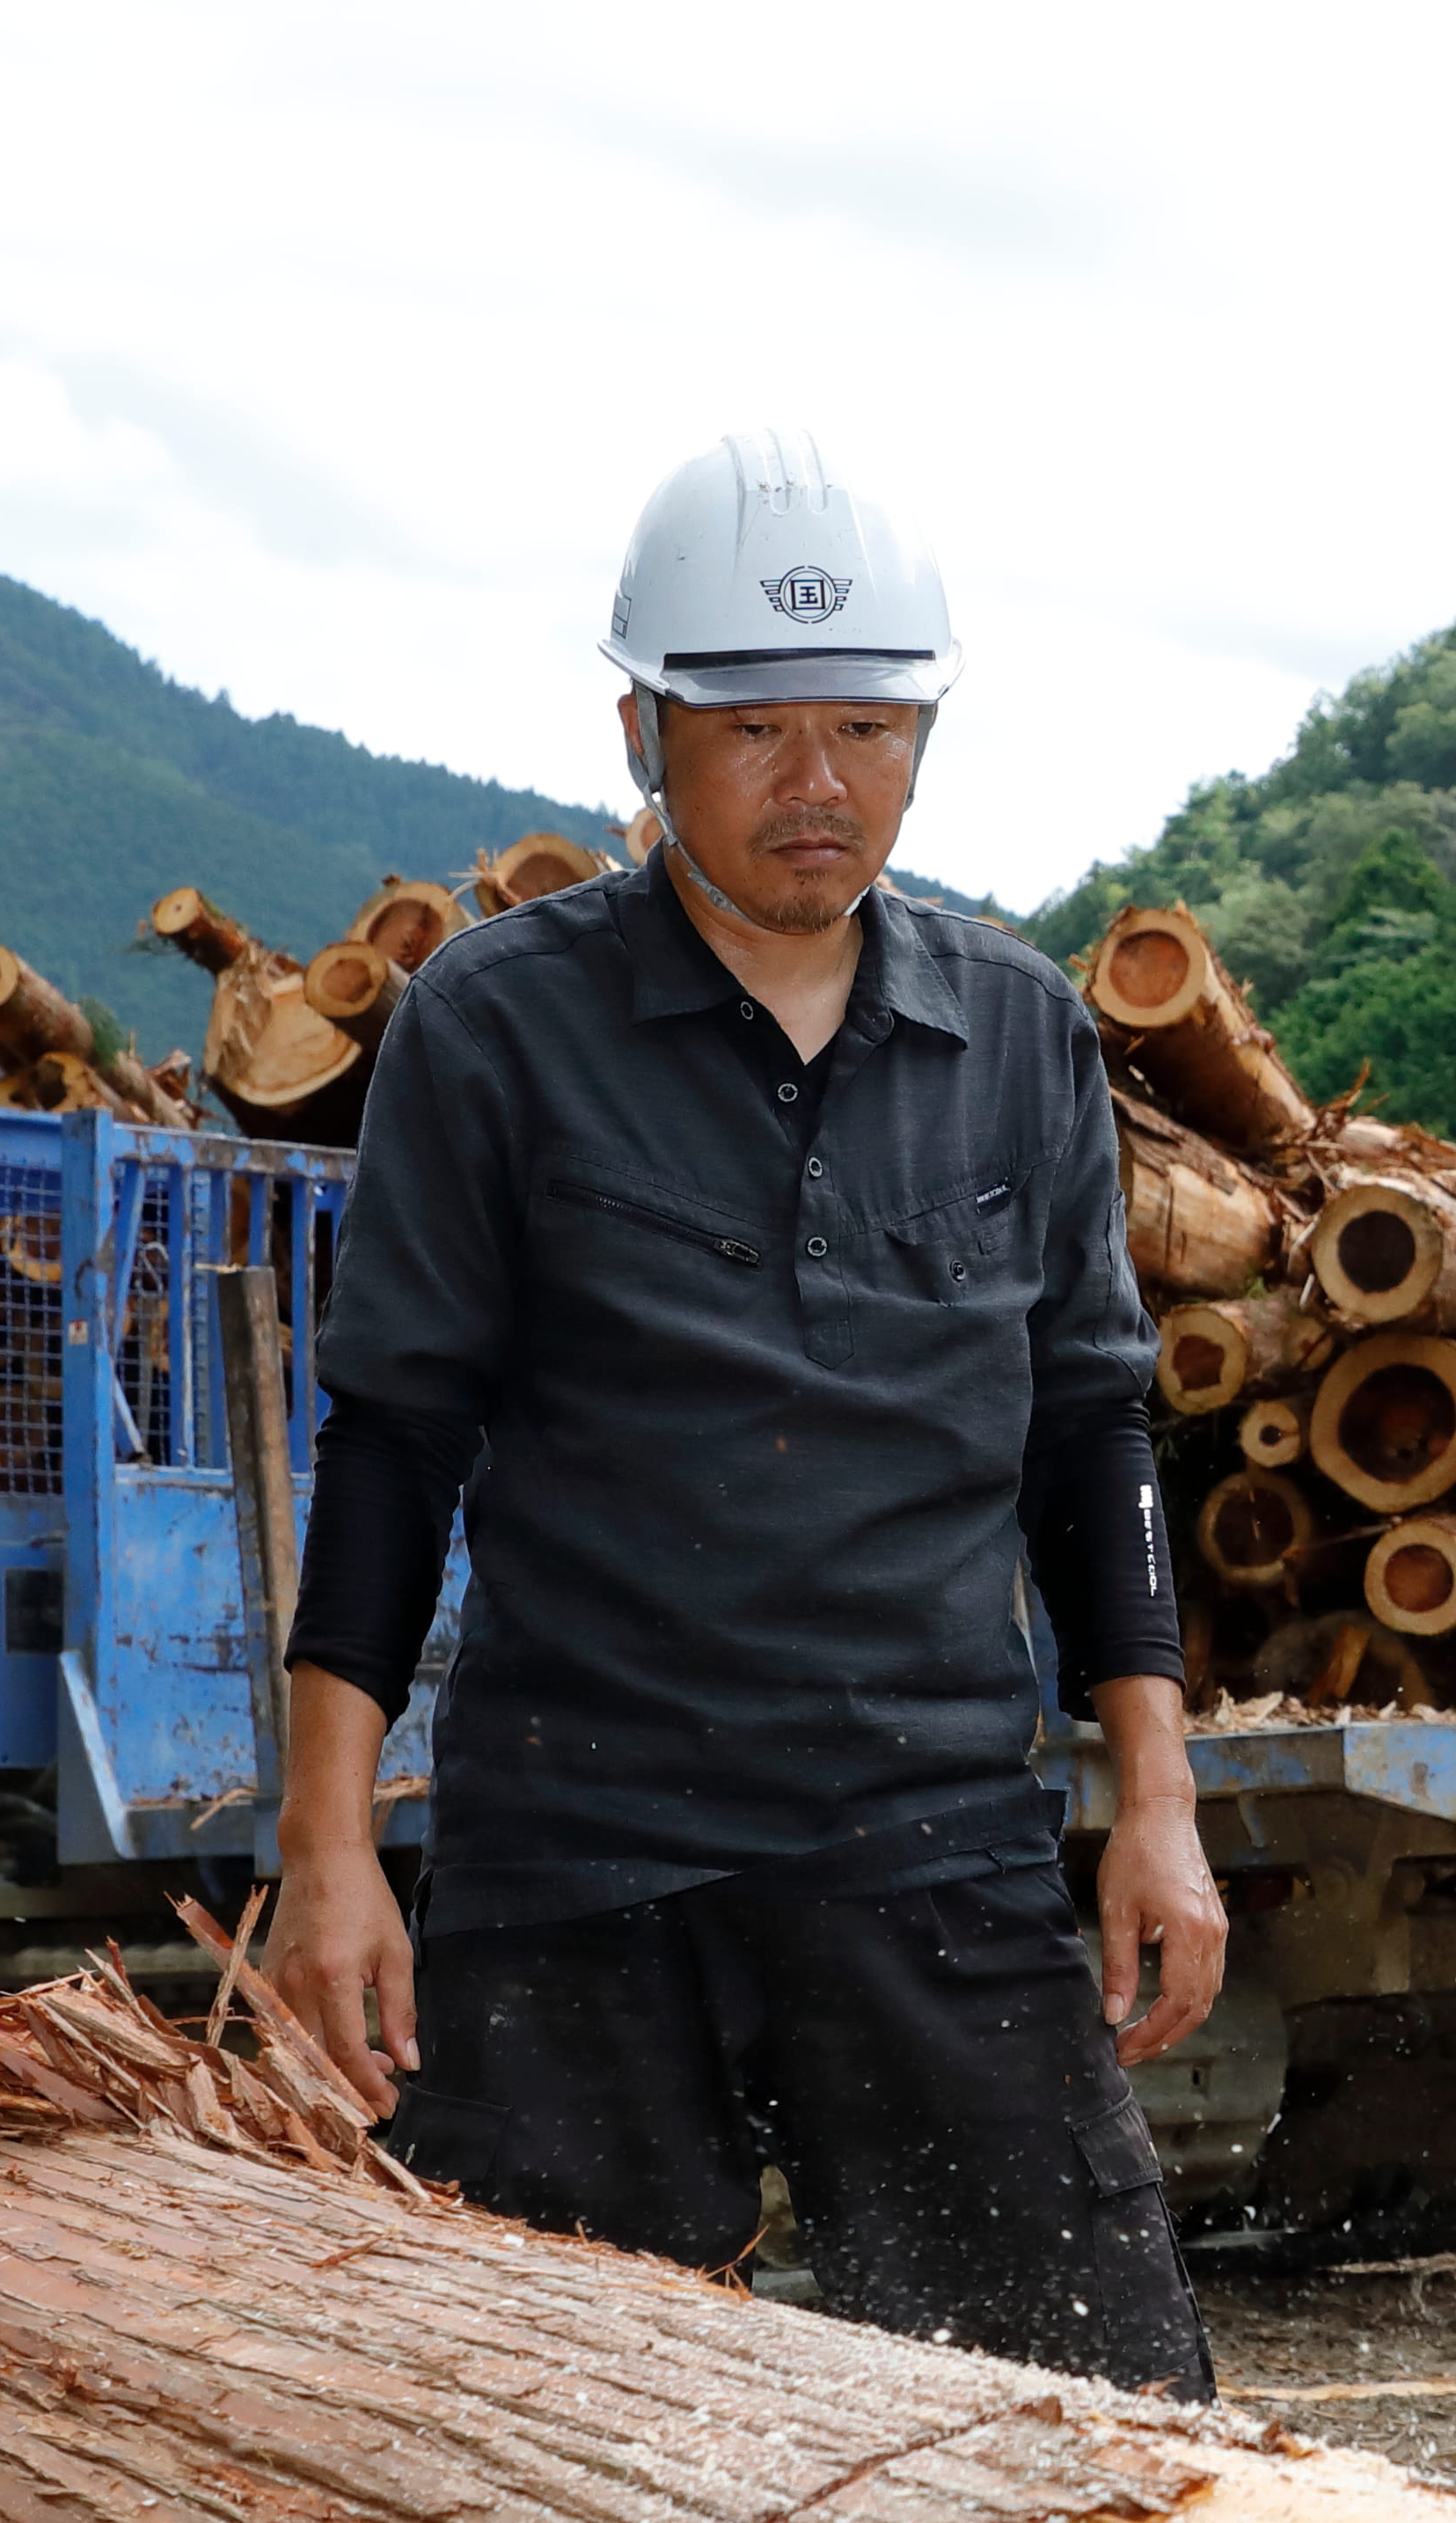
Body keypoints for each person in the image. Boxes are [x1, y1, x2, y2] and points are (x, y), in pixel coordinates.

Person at [267, 432, 1221, 2397]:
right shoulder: (494, 1027)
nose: (820, 782)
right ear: (642, 729)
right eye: (757, 727)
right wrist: (328, 1844)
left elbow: (1092, 1435)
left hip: (935, 1843)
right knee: (545, 2452)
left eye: (869, 727)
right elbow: (394, 1443)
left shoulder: (1018, 1031)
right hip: (578, 1862)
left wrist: (1159, 1802)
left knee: (1091, 2429)